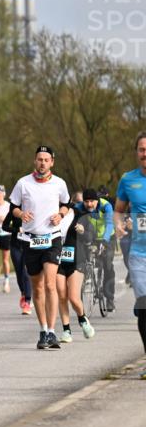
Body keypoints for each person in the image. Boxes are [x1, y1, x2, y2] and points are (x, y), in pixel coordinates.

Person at [9, 145, 71, 349]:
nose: (42, 162)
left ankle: (52, 332)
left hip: (52, 238)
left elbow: (66, 204)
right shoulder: (23, 183)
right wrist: (21, 215)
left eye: (46, 159)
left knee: (50, 284)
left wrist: (60, 215)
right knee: (37, 287)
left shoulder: (59, 183)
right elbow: (13, 208)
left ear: (52, 162)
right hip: (29, 240)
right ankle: (43, 330)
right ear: (34, 161)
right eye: (39, 159)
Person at [115, 130, 146, 376]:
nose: (145, 153)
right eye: (142, 149)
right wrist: (118, 223)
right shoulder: (128, 180)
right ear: (137, 152)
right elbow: (119, 210)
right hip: (139, 254)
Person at [55, 199, 96, 342]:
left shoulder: (80, 216)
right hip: (58, 260)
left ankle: (83, 319)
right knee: (61, 295)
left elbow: (91, 236)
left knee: (73, 297)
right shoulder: (50, 216)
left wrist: (83, 231)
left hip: (77, 260)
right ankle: (66, 330)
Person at [74, 188, 116, 312]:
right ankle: (87, 279)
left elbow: (109, 224)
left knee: (108, 264)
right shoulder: (80, 207)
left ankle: (109, 299)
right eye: (86, 201)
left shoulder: (106, 206)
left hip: (107, 236)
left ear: (97, 200)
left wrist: (104, 240)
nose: (89, 204)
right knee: (85, 261)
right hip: (90, 237)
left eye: (92, 201)